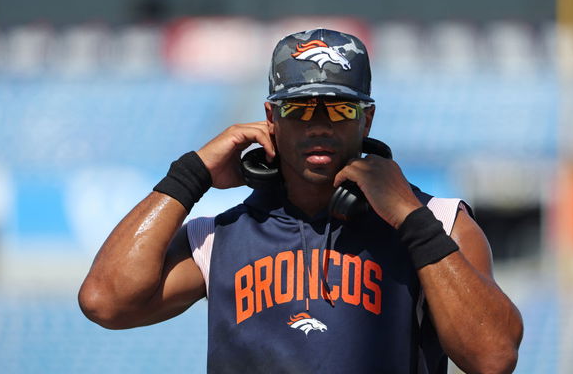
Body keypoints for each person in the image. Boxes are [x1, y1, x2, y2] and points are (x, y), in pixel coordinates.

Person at [79, 28, 523, 373]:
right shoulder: (219, 238)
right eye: (300, 108)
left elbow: (493, 358)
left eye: (338, 109)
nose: (318, 125)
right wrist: (190, 175)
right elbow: (105, 301)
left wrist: (410, 218)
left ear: (366, 119)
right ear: (271, 119)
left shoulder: (440, 223)